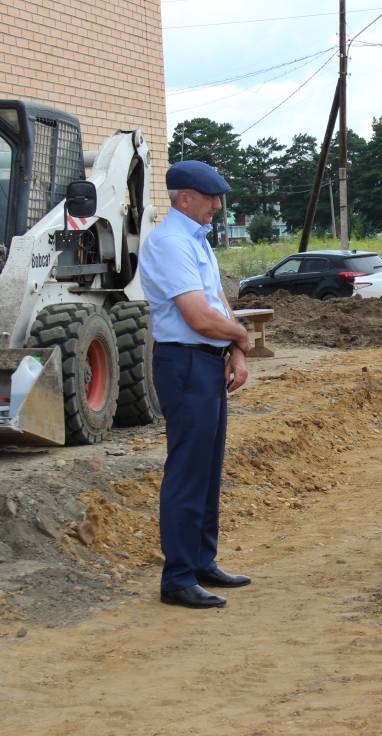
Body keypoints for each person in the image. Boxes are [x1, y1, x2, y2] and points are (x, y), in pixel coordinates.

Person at [139, 160, 254, 610]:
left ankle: (202, 560)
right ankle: (178, 576)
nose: (218, 206)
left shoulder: (195, 240)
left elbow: (218, 301)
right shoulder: (170, 243)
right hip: (184, 362)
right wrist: (241, 337)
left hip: (205, 361)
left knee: (207, 468)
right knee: (188, 471)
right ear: (184, 198)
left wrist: (235, 349)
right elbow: (199, 317)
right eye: (210, 198)